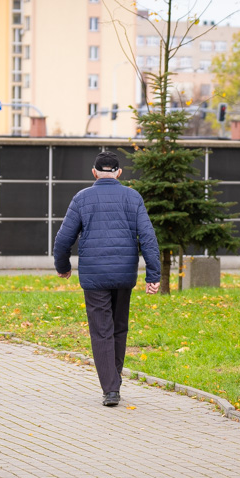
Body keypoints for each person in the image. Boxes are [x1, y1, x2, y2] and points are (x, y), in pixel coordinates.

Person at [53, 150, 161, 407]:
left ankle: (111, 389)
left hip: (94, 276)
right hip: (124, 274)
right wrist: (153, 275)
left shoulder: (82, 199)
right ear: (119, 173)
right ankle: (114, 380)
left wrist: (63, 265)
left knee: (101, 331)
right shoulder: (132, 197)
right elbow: (148, 237)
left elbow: (63, 239)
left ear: (94, 172)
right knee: (119, 327)